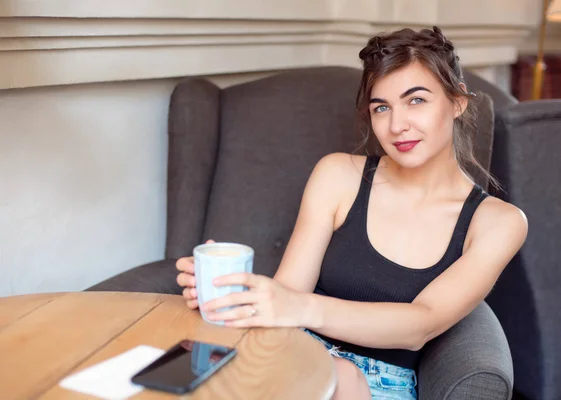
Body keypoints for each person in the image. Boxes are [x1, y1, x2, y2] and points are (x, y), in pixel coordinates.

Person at [175, 26, 528, 400]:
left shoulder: (499, 222)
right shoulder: (337, 175)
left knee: (342, 377)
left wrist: (301, 309)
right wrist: (231, 295)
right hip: (292, 356)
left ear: (458, 102)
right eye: (382, 107)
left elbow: (420, 325)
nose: (396, 125)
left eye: (416, 100)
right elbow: (288, 292)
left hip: (379, 385)